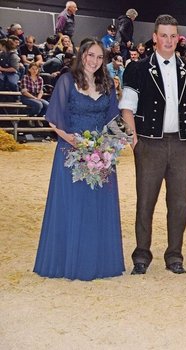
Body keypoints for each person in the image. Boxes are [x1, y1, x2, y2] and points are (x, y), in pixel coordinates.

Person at [119, 14, 186, 275]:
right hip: (149, 144)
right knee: (145, 201)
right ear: (155, 37)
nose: (168, 40)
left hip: (182, 145)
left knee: (179, 203)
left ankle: (174, 256)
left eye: (172, 36)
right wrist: (135, 141)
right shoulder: (137, 69)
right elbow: (127, 109)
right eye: (163, 35)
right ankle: (142, 256)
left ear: (177, 38)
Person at [33, 38, 124, 281]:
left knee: (97, 206)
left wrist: (116, 143)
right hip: (70, 153)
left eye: (99, 57)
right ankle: (70, 261)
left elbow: (112, 120)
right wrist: (73, 141)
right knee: (73, 205)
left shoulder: (106, 84)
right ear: (81, 54)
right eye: (90, 55)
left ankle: (98, 262)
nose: (94, 61)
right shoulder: (67, 81)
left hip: (101, 155)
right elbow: (53, 119)